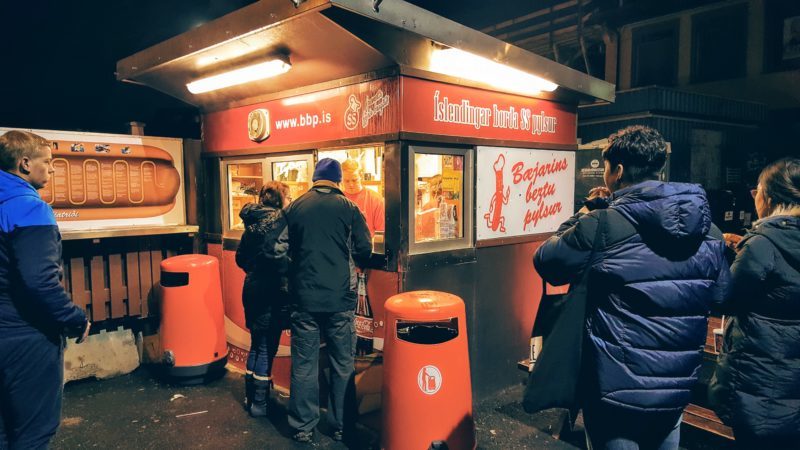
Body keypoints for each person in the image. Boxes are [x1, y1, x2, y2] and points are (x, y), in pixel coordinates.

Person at [533, 125, 729, 450]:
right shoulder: (709, 232)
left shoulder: (603, 224)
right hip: (675, 389)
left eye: (607, 167)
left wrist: (584, 212)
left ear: (618, 171)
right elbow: (721, 296)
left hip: (614, 391)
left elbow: (547, 262)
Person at [0, 130, 90, 449]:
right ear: (25, 164)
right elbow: (38, 280)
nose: (51, 170)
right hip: (24, 337)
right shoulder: (28, 207)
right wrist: (74, 317)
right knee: (33, 433)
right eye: (47, 162)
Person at [709, 157, 800, 449]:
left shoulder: (763, 243)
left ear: (770, 198)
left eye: (756, 191)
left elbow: (725, 298)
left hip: (763, 379)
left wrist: (723, 257)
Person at [284, 158, 372, 443]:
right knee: (342, 363)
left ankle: (302, 425)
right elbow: (365, 248)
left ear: (315, 179)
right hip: (340, 300)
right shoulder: (349, 208)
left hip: (304, 300)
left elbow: (277, 247)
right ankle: (339, 425)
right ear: (337, 181)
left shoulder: (295, 207)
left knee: (304, 363)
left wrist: (293, 269)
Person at [235, 181, 291, 418]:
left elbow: (240, 258)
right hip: (272, 292)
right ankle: (260, 403)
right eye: (287, 197)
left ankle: (251, 397)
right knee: (267, 347)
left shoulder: (252, 225)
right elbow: (281, 261)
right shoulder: (279, 224)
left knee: (257, 344)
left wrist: (254, 271)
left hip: (252, 289)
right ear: (281, 200)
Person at [341, 159, 384, 237]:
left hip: (368, 247)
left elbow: (381, 232)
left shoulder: (375, 199)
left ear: (361, 176)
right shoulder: (337, 200)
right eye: (347, 181)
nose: (351, 184)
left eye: (354, 180)